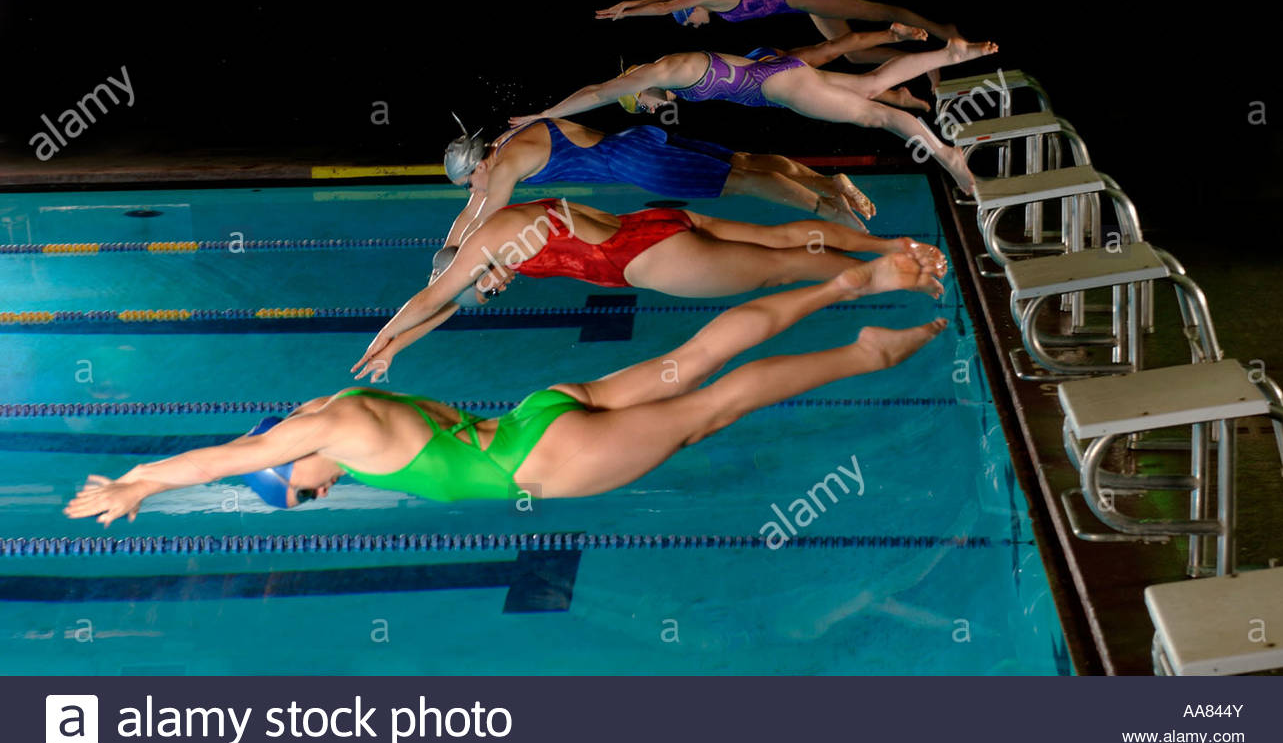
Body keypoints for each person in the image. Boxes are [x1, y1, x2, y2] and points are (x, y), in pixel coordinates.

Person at [63, 263, 949, 522]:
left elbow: (234, 453)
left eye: (292, 493)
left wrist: (139, 480)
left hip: (544, 455)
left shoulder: (326, 437)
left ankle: (865, 351)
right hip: (539, 410)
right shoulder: (334, 418)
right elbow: (257, 440)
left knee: (711, 409)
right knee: (695, 358)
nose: (309, 493)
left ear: (292, 466)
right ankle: (845, 286)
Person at [351, 199, 947, 379]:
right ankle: (894, 245)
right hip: (652, 223)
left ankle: (895, 268)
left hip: (645, 257)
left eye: (484, 279)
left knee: (783, 266)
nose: (494, 285)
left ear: (467, 260)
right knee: (779, 238)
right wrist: (399, 350)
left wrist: (379, 336)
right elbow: (450, 304)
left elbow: (432, 298)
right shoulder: (488, 247)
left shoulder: (489, 243)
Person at [507, 39, 999, 193]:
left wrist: (545, 112)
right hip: (779, 76)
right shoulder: (672, 72)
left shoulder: (664, 70)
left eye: (646, 103)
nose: (656, 109)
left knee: (879, 118)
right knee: (872, 86)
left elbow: (597, 91)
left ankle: (947, 155)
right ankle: (950, 54)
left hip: (780, 85)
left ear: (641, 87)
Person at [442, 109, 877, 242]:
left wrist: (446, 265)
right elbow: (473, 206)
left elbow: (482, 215)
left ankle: (827, 207)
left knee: (740, 180)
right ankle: (829, 181)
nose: (473, 189)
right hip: (637, 140)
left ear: (479, 165)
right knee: (745, 159)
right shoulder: (505, 141)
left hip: (638, 165)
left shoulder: (505, 164)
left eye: (470, 182)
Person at [595, 0, 965, 64]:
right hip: (803, 4)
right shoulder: (697, 0)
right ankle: (923, 60)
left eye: (690, 22)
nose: (696, 25)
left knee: (880, 11)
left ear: (689, 9)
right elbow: (666, 1)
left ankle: (942, 31)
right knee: (851, 55)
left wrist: (628, 14)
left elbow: (663, 7)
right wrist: (630, 2)